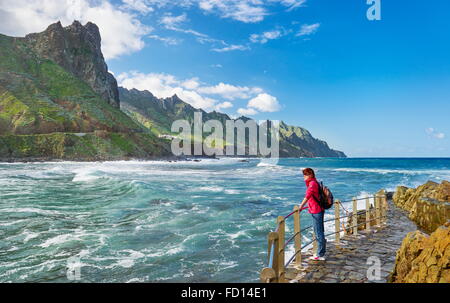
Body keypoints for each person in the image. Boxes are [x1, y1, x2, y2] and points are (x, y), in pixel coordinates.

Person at [299, 168, 326, 261]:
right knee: (319, 231)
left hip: (317, 210)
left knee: (318, 232)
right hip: (318, 209)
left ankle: (320, 254)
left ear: (310, 175)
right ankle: (320, 252)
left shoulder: (312, 184)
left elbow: (307, 196)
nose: (304, 176)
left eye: (305, 175)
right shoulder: (314, 182)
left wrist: (301, 206)